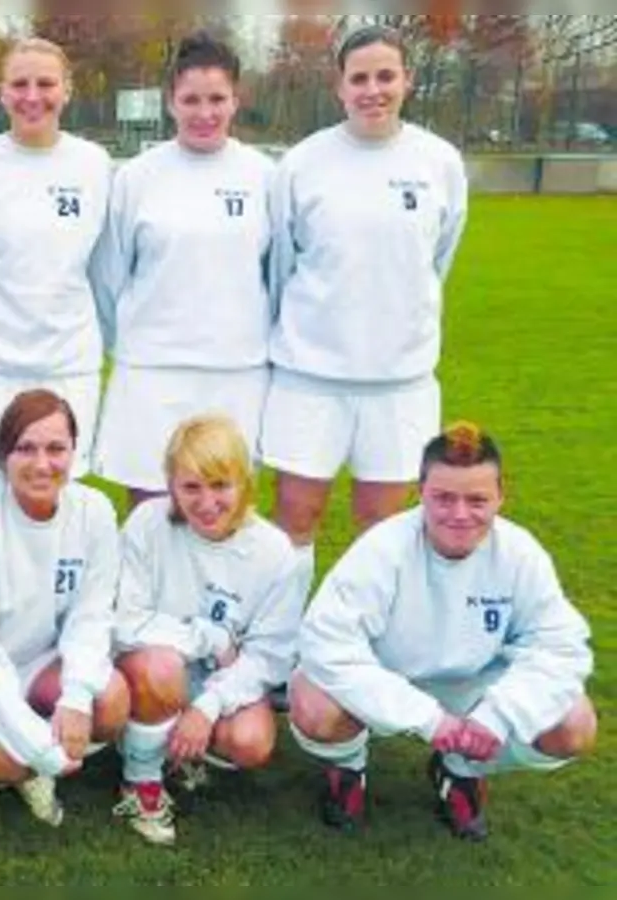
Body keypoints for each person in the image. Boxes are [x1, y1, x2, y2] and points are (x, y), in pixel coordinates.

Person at [288, 421, 597, 841]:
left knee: (574, 723)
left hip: (474, 686)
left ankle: (459, 771)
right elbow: (326, 643)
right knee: (312, 703)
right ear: (421, 493)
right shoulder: (383, 548)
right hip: (389, 679)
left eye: (477, 499)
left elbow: (561, 648)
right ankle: (348, 767)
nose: (459, 514)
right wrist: (428, 719)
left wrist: (498, 716)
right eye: (444, 498)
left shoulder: (521, 553)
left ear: (501, 496)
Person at [261, 25, 470, 572]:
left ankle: (357, 649)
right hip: (310, 377)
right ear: (339, 86)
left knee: (382, 530)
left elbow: (436, 260)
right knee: (295, 516)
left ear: (408, 81)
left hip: (400, 383)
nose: (372, 90)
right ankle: (279, 648)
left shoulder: (440, 162)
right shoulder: (303, 164)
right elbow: (282, 266)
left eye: (385, 76)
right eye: (360, 78)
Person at [0, 389, 129, 826]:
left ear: (76, 451)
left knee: (109, 702)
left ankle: (32, 726)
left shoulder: (96, 513)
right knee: (12, 762)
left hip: (36, 658)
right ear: (1, 457)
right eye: (25, 449)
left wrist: (75, 697)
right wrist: (38, 747)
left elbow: (91, 615)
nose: (41, 464)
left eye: (56, 448)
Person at [91, 33, 276, 509]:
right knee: (151, 515)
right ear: (171, 101)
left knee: (224, 513)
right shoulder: (137, 177)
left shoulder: (265, 177)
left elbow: (278, 279)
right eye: (190, 99)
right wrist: (136, 344)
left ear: (236, 99)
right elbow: (109, 278)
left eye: (217, 99)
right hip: (153, 373)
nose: (204, 112)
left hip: (236, 372)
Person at [111, 414, 308, 845]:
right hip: (153, 665)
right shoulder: (147, 523)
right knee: (161, 669)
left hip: (220, 676)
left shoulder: (274, 551)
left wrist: (208, 706)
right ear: (171, 485)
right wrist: (210, 639)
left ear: (244, 482)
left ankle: (171, 742)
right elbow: (125, 622)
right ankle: (140, 781)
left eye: (221, 485)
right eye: (191, 487)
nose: (206, 502)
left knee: (251, 742)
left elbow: (269, 656)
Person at [0, 38, 111, 497]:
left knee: (55, 509)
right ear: (2, 93)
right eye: (19, 84)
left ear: (67, 89)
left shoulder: (94, 165)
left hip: (67, 364)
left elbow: (105, 269)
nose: (32, 96)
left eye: (45, 83)